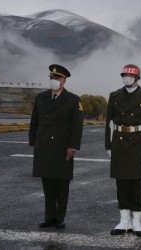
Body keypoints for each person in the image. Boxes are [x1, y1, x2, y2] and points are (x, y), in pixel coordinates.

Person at [29, 64, 84, 229]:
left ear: (64, 81)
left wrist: (73, 146)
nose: (54, 80)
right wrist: (34, 142)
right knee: (48, 185)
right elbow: (34, 122)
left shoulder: (74, 100)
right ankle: (49, 217)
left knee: (62, 185)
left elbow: (77, 126)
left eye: (57, 78)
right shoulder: (41, 98)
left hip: (63, 148)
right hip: (44, 147)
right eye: (51, 78)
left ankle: (60, 218)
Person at [105, 64, 141, 238]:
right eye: (124, 75)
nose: (127, 78)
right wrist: (108, 145)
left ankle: (137, 221)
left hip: (138, 144)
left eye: (130, 75)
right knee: (121, 183)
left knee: (136, 183)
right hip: (119, 143)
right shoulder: (114, 96)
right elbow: (108, 122)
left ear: (137, 78)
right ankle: (124, 220)